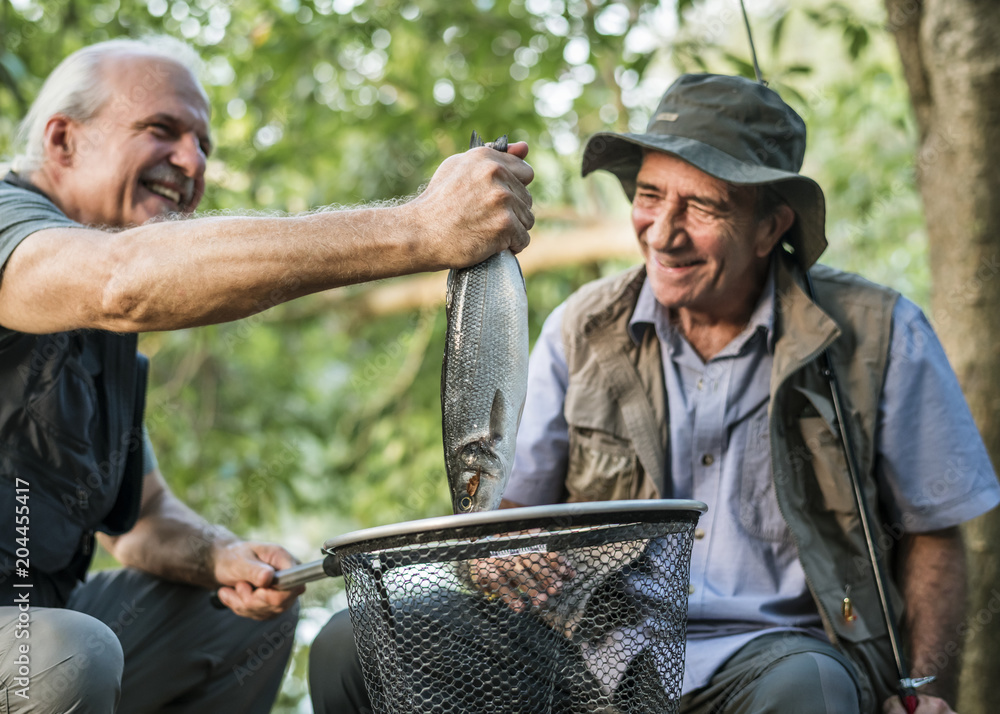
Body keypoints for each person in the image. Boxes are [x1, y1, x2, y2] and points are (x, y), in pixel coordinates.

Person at [311, 74, 1000, 714]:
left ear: (771, 227)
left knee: (809, 687)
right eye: (648, 196)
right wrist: (501, 553)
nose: (663, 232)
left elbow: (935, 531)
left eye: (702, 205)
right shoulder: (581, 328)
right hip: (588, 656)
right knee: (353, 643)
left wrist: (921, 687)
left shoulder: (880, 332)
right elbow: (508, 512)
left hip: (776, 660)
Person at [0, 35, 533, 713]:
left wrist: (222, 555)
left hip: (35, 609)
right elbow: (123, 280)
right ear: (61, 141)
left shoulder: (100, 341)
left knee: (237, 615)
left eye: (204, 145)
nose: (191, 161)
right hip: (37, 640)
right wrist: (420, 230)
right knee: (70, 656)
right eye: (160, 130)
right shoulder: (15, 230)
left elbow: (143, 519)